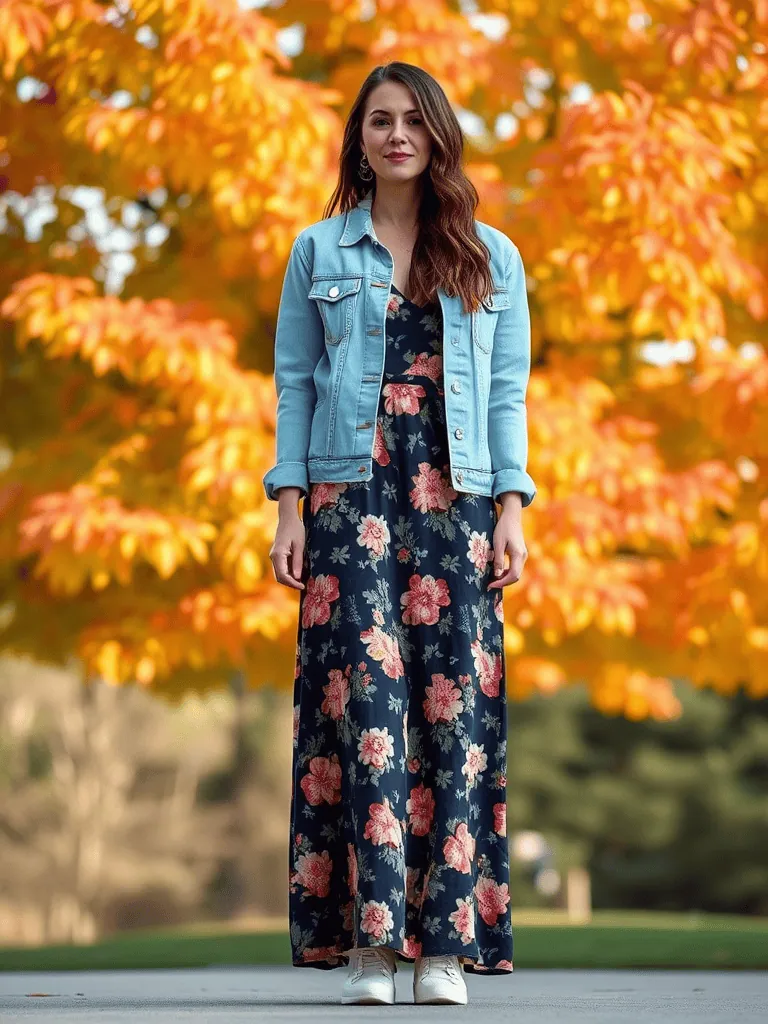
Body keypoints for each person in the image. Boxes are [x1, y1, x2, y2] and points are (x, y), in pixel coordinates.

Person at [263, 60, 536, 1007]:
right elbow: (294, 384)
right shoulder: (318, 251)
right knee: (364, 714)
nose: (396, 136)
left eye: (413, 121)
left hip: (455, 501)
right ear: (360, 139)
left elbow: (505, 395)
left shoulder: (491, 256)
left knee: (454, 718)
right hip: (349, 501)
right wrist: (288, 507)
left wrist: (511, 507)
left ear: (438, 135)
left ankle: (446, 947)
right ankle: (375, 946)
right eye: (379, 121)